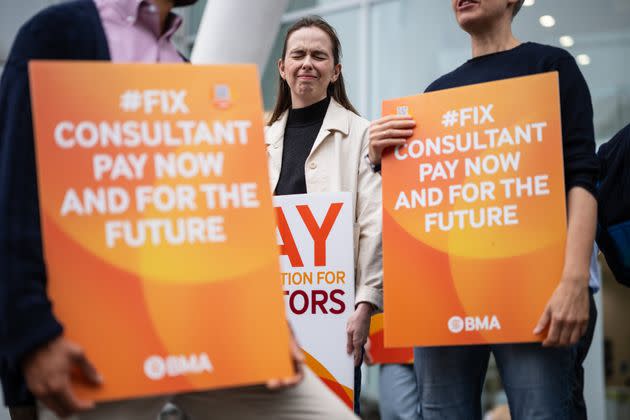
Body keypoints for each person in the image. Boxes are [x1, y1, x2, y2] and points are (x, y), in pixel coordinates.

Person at [0, 1, 358, 419]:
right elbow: (14, 194)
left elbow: (211, 217)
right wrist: (31, 336)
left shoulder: (181, 65)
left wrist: (263, 325)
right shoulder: (60, 34)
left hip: (205, 334)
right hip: (89, 345)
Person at [368, 0, 598, 419]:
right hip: (446, 297)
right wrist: (380, 159)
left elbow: (582, 177)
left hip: (534, 290)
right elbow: (426, 204)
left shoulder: (550, 65)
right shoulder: (437, 94)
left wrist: (574, 280)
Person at [266, 15, 383, 414]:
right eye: (297, 54)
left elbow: (373, 224)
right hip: (270, 316)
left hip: (333, 318)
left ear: (335, 71)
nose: (307, 63)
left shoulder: (362, 134)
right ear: (282, 68)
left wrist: (365, 304)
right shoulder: (256, 140)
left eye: (319, 55)